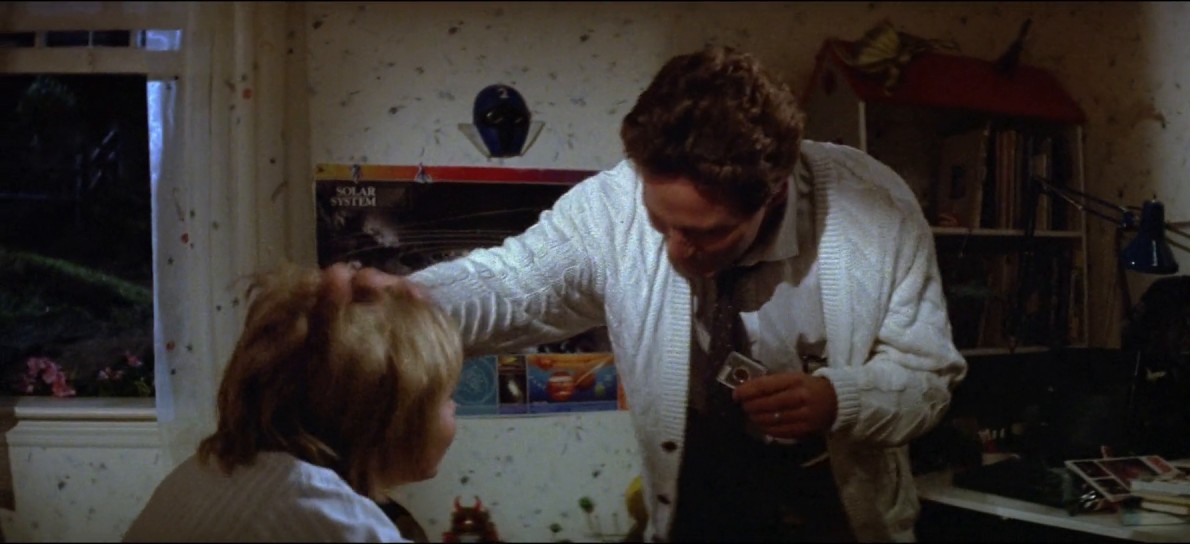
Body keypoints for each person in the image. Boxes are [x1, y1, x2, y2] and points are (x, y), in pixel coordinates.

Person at [328, 45, 967, 542]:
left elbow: (929, 380)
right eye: (661, 224)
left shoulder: (876, 210)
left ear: (774, 192)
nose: (676, 251)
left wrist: (840, 400)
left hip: (843, 517)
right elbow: (513, 285)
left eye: (706, 233)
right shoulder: (615, 204)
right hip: (695, 507)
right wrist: (400, 302)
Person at [124, 264, 463, 542]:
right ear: (386, 421)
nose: (454, 407)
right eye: (447, 396)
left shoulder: (205, 472)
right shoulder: (328, 514)